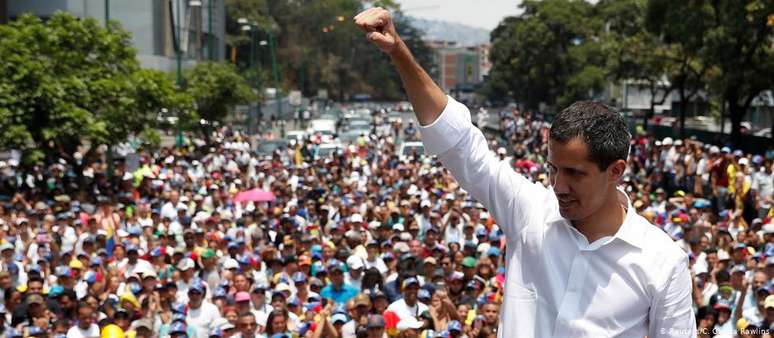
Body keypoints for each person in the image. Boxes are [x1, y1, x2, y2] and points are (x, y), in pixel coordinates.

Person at [354, 7, 695, 337]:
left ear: (616, 171)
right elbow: (459, 143)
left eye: (575, 174)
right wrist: (398, 51)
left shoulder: (662, 263)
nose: (559, 186)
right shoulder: (530, 212)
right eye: (553, 169)